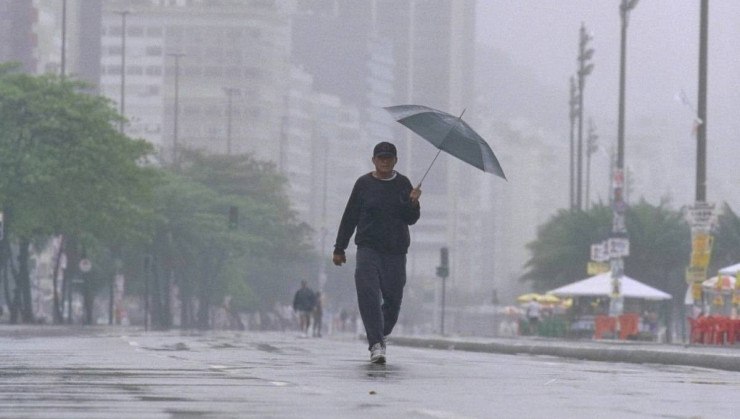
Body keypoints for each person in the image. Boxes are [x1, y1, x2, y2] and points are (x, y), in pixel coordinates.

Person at [332, 141, 421, 364]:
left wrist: (413, 202)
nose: (384, 161)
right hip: (368, 249)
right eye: (380, 157)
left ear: (395, 161)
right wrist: (340, 248)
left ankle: (380, 333)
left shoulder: (403, 184)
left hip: (395, 251)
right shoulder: (363, 184)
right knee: (368, 293)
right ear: (373, 160)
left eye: (388, 158)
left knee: (393, 300)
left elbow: (411, 219)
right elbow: (350, 216)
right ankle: (376, 344)